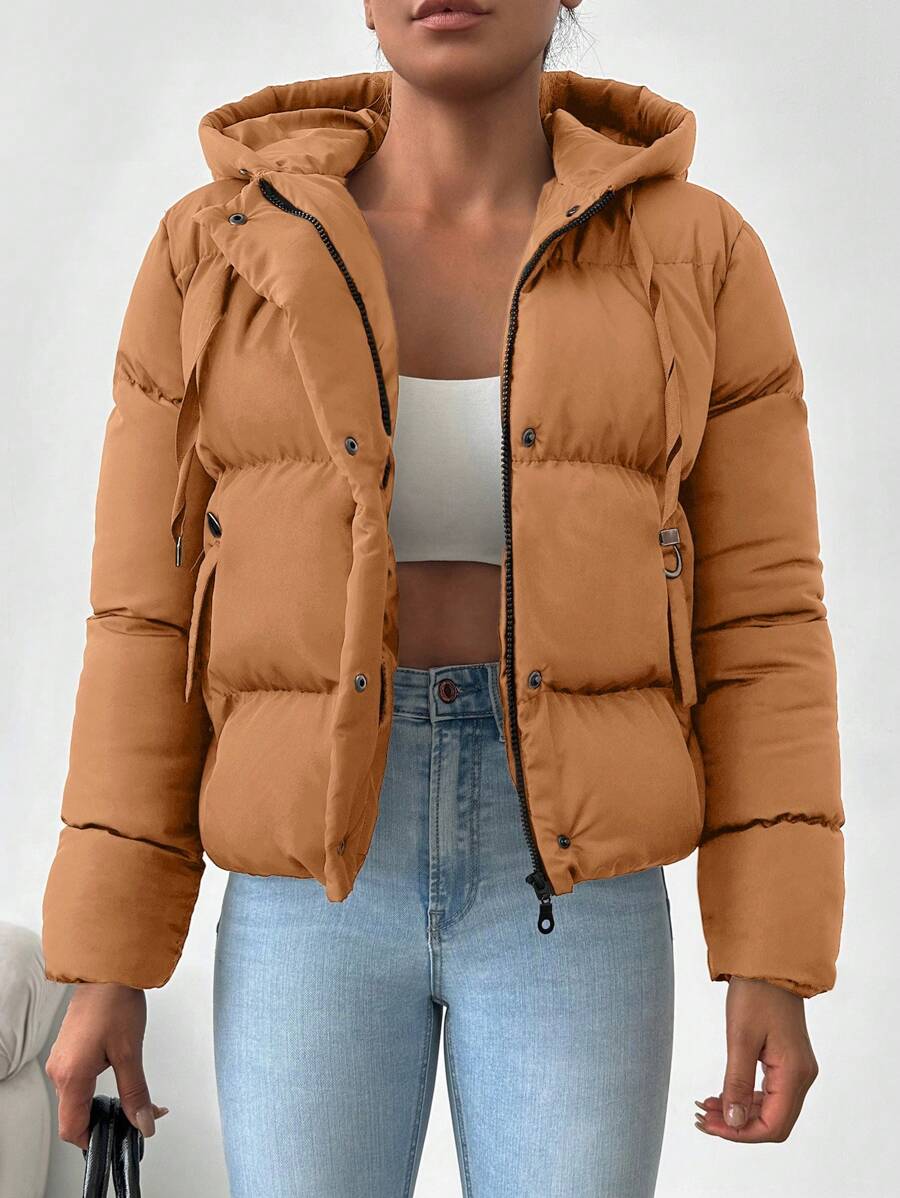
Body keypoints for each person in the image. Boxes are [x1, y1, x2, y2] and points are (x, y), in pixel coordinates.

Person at [40, 2, 845, 1194]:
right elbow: (142, 623)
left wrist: (771, 952)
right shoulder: (214, 251)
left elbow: (763, 620)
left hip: (575, 883)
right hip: (310, 883)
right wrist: (107, 958)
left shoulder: (695, 254)